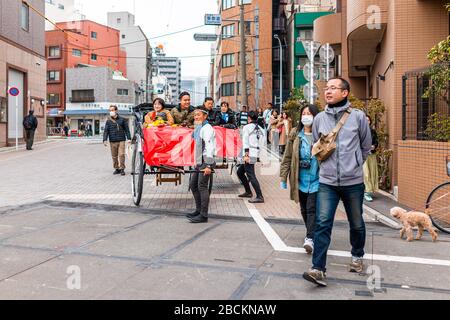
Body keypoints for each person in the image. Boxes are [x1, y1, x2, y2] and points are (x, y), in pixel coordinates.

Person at [303, 78, 372, 287]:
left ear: (345, 93)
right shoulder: (319, 119)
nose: (328, 91)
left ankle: (357, 255)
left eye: (333, 88)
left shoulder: (358, 117)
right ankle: (318, 269)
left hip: (353, 182)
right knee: (323, 223)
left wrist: (355, 163)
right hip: (327, 181)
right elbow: (316, 143)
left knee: (357, 223)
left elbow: (366, 145)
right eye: (326, 88)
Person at [280, 105, 320, 254]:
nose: (306, 116)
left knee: (311, 208)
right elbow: (288, 157)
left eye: (309, 114)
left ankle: (309, 238)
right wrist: (283, 177)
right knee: (303, 209)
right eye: (304, 113)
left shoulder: (321, 135)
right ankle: (312, 232)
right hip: (300, 179)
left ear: (316, 117)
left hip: (317, 179)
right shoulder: (295, 134)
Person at [187, 107, 217, 224]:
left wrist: (209, 166)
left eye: (198, 115)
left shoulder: (207, 128)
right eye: (195, 115)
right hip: (200, 161)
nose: (196, 117)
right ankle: (198, 210)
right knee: (193, 185)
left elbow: (210, 147)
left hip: (206, 160)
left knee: (202, 186)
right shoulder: (199, 128)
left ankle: (203, 215)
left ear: (205, 116)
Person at [237, 111, 265, 204]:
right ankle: (248, 192)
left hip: (248, 153)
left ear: (249, 118)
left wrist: (246, 154)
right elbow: (262, 144)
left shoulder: (247, 127)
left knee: (251, 175)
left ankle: (259, 196)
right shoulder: (261, 129)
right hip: (255, 153)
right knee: (240, 172)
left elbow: (245, 141)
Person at [103, 105, 132, 176]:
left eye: (112, 110)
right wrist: (105, 139)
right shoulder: (108, 121)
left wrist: (129, 138)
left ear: (116, 110)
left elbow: (127, 130)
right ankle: (117, 168)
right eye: (110, 110)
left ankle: (122, 168)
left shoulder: (122, 120)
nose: (111, 112)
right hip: (112, 140)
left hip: (121, 140)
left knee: (121, 154)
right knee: (114, 156)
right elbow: (106, 131)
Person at [363, 115, 379, 202]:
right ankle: (366, 192)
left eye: (368, 120)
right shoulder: (359, 131)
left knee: (372, 173)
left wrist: (374, 146)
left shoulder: (373, 131)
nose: (367, 121)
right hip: (363, 156)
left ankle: (368, 192)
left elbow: (376, 141)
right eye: (365, 120)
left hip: (371, 155)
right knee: (366, 174)